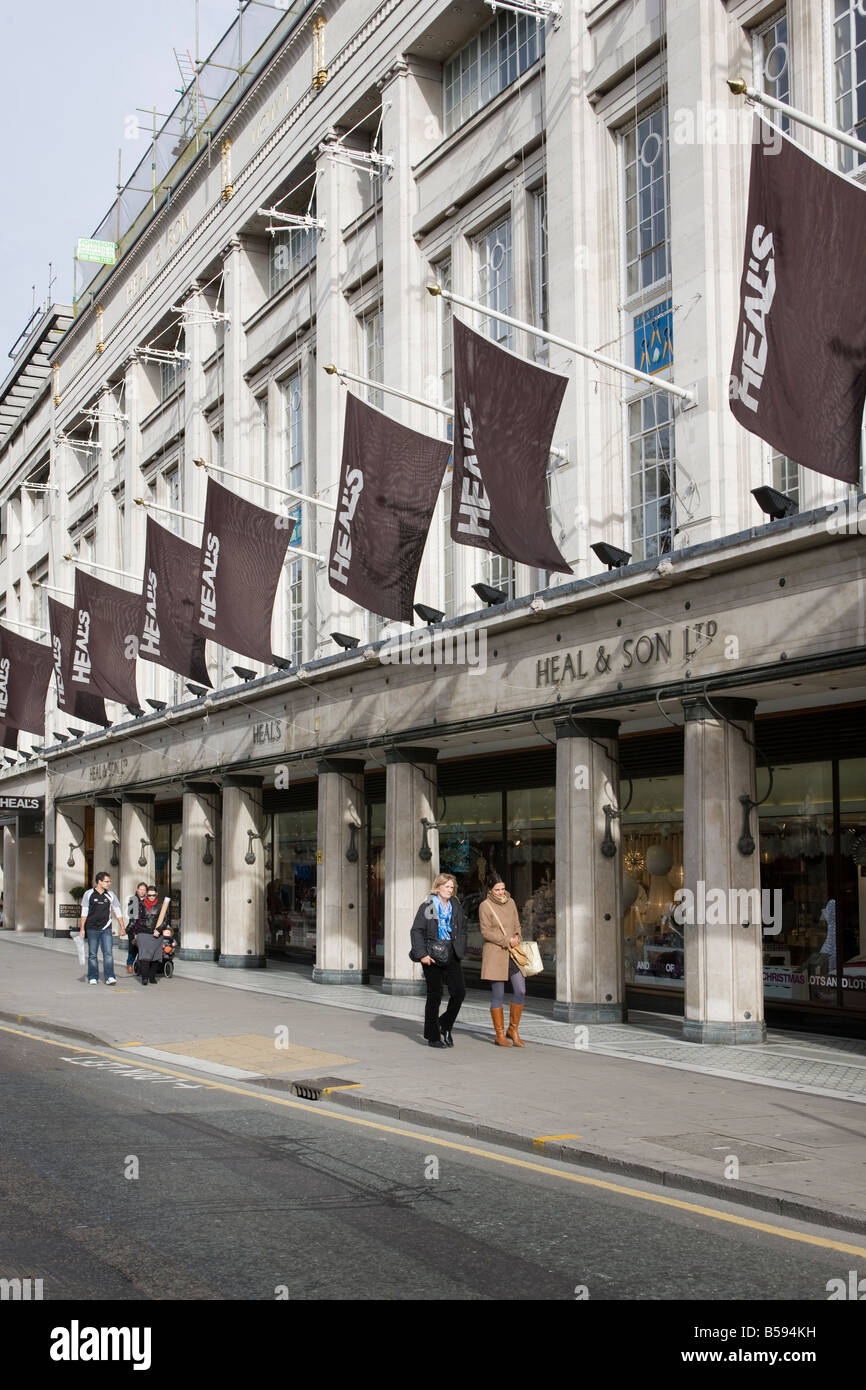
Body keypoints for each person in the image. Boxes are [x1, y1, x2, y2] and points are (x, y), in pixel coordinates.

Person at [410, 872, 467, 1049]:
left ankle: (444, 1025)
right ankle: (433, 1036)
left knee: (459, 993)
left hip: (452, 954)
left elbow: (463, 928)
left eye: (452, 887)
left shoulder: (455, 905)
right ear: (438, 887)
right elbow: (416, 930)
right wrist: (422, 955)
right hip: (431, 956)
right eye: (447, 886)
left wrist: (461, 946)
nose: (450, 890)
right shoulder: (428, 906)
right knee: (435, 996)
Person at [479, 876, 527, 1046]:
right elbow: (486, 932)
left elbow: (517, 924)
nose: (501, 893)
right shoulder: (485, 906)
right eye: (497, 889)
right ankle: (499, 1034)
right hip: (495, 954)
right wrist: (507, 940)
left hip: (513, 953)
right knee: (498, 994)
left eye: (502, 889)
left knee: (520, 990)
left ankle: (513, 1029)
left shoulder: (511, 902)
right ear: (490, 890)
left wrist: (517, 937)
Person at [79, 871, 125, 986]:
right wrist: (82, 929)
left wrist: (122, 927)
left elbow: (117, 911)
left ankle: (110, 976)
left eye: (109, 881)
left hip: (106, 929)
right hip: (92, 928)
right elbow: (84, 911)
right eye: (106, 881)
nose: (109, 883)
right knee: (92, 954)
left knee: (108, 953)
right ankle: (93, 976)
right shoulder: (88, 894)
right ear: (99, 882)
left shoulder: (111, 895)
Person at [125, 881, 148, 974]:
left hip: (144, 928)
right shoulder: (133, 900)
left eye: (144, 890)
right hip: (133, 928)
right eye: (140, 889)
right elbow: (132, 916)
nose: (142, 891)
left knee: (143, 948)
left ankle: (140, 965)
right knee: (133, 947)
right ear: (137, 890)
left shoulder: (148, 901)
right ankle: (129, 964)